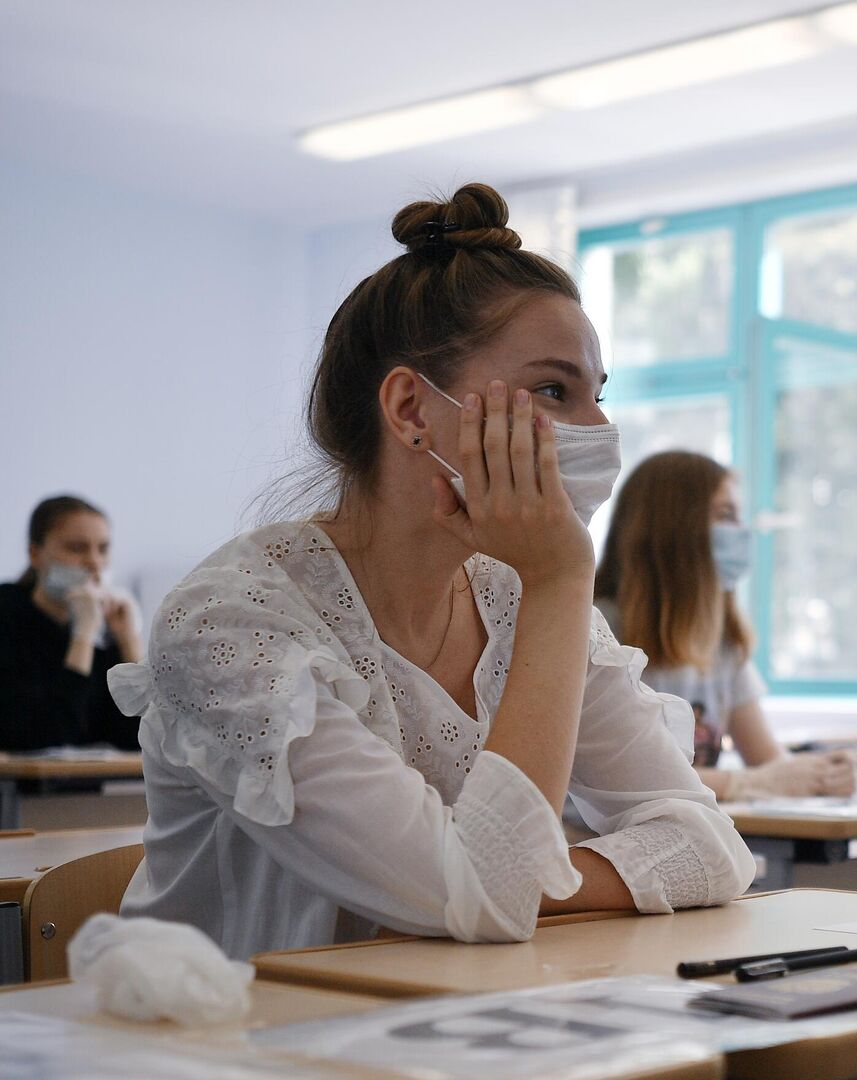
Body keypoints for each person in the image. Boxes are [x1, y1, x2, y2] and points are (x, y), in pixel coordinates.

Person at [106, 184, 754, 958]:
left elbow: (709, 845)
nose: (601, 430)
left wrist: (514, 884)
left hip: (434, 1034)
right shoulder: (229, 624)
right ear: (413, 410)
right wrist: (558, 582)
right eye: (555, 391)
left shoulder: (516, 595)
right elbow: (480, 894)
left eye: (598, 395)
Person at [596, 451, 856, 801]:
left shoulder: (722, 643)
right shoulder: (599, 630)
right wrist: (748, 784)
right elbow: (627, 775)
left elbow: (769, 763)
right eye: (725, 515)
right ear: (673, 527)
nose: (741, 532)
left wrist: (822, 775)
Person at [0, 495, 143, 750]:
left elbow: (142, 739)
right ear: (35, 554)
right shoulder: (7, 613)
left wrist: (129, 644)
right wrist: (83, 636)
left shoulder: (108, 624)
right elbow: (45, 736)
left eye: (103, 549)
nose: (94, 562)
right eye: (77, 548)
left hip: (92, 787)